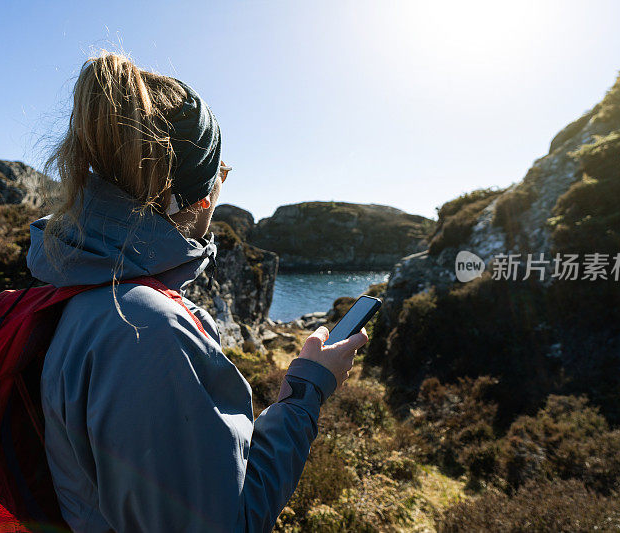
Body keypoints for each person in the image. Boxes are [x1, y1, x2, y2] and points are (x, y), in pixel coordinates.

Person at [26, 51, 368, 532]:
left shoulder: (76, 283)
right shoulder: (146, 328)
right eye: (219, 175)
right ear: (200, 196)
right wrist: (307, 391)